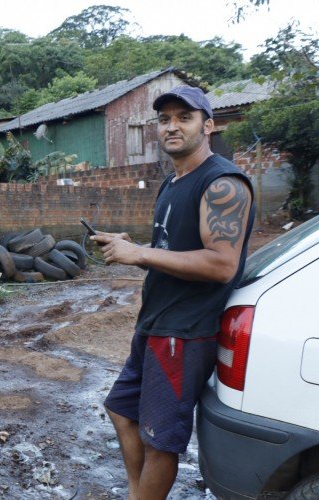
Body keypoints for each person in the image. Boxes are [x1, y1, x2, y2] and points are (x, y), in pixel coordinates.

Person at [92, 85, 255, 499]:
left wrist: (140, 254)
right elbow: (171, 247)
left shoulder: (222, 184)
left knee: (160, 440)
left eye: (185, 117)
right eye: (164, 119)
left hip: (184, 331)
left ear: (209, 125)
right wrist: (130, 244)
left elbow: (221, 264)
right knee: (121, 410)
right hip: (156, 322)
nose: (172, 126)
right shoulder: (171, 183)